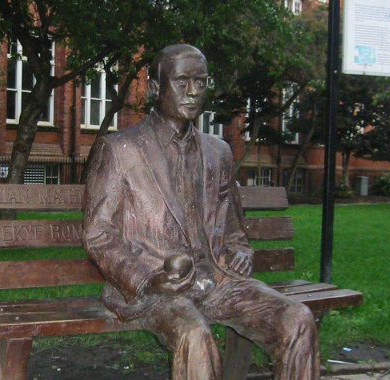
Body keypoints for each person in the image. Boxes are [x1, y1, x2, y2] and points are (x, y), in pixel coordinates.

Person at [83, 44, 319, 380]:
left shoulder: (218, 151)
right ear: (155, 88)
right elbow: (98, 234)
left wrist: (239, 251)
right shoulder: (120, 150)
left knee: (297, 318)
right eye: (182, 82)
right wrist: (147, 281)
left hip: (216, 280)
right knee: (195, 335)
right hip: (153, 288)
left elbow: (234, 226)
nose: (194, 92)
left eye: (201, 82)